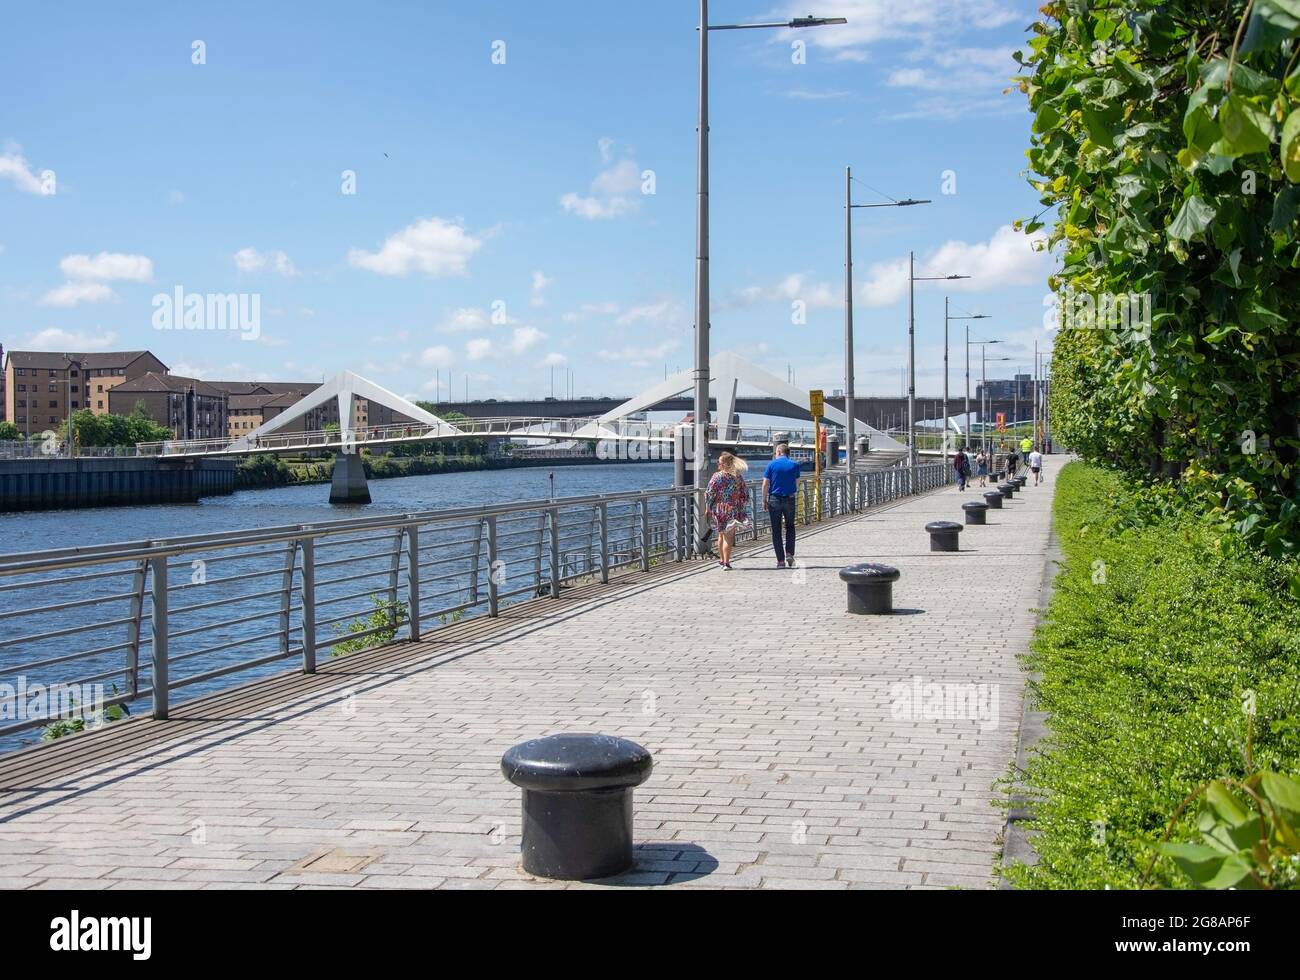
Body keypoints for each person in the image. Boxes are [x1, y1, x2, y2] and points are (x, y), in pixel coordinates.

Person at [706, 452, 750, 570]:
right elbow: (745, 494)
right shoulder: (738, 477)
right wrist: (741, 503)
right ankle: (726, 562)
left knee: (721, 535)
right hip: (732, 509)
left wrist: (708, 508)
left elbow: (709, 493)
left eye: (719, 463)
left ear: (725, 464)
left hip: (719, 509)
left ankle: (721, 560)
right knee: (728, 537)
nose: (717, 465)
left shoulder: (716, 476)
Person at [762, 443, 801, 569]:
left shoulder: (771, 465)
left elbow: (765, 484)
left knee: (776, 530)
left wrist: (764, 500)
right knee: (790, 526)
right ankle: (789, 552)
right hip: (790, 498)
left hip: (775, 499)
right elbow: (797, 483)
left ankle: (780, 561)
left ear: (778, 452)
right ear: (787, 453)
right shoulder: (795, 465)